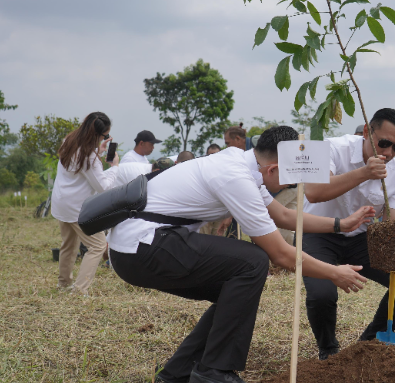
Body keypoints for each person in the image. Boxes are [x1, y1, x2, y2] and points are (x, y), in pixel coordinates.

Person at [107, 126, 375, 383]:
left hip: (143, 246)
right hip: (142, 247)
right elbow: (280, 255)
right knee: (253, 261)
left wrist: (341, 224)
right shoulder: (236, 176)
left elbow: (283, 215)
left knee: (234, 290)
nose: (288, 186)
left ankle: (177, 372)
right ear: (274, 169)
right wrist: (334, 272)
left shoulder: (245, 165)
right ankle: (214, 371)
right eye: (289, 180)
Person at [303, 108, 395, 360]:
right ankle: (328, 350)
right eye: (384, 143)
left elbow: (392, 225)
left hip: (361, 239)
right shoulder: (332, 149)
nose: (389, 153)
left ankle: (368, 343)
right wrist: (364, 173)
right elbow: (314, 192)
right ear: (367, 132)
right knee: (322, 294)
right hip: (319, 231)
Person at [52, 112, 120, 295]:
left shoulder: (69, 141)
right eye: (104, 136)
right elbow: (104, 187)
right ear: (96, 134)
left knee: (68, 245)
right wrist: (114, 168)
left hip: (61, 202)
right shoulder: (88, 156)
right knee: (98, 246)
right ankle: (80, 291)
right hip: (77, 208)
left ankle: (64, 284)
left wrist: (99, 151)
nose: (104, 138)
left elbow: (78, 167)